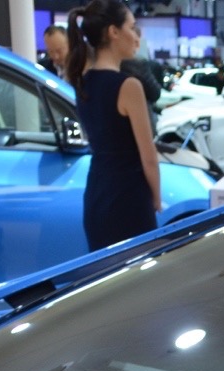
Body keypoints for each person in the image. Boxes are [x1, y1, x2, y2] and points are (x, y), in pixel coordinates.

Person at [65, 0, 159, 251]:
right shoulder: (128, 86)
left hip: (97, 194)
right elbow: (148, 156)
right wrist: (157, 199)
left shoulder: (83, 82)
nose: (136, 36)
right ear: (113, 32)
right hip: (129, 198)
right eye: (132, 27)